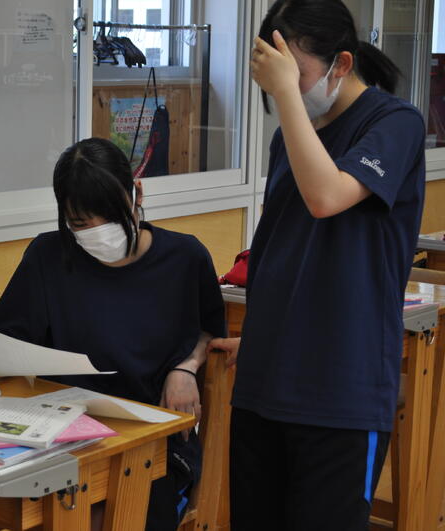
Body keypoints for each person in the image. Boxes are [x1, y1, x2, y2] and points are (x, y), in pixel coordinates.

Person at [208, 1, 426, 530]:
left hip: (341, 391)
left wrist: (285, 93)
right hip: (267, 383)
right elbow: (286, 249)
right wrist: (263, 335)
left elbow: (327, 198)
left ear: (342, 64)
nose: (285, 87)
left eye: (296, 72)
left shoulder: (394, 123)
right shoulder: (290, 138)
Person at [0, 137, 226, 530]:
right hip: (58, 437)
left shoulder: (185, 257)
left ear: (137, 194)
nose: (97, 233)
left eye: (110, 217)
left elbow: (210, 331)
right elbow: (5, 342)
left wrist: (186, 366)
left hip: (151, 445)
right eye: (80, 223)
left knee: (92, 519)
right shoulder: (48, 256)